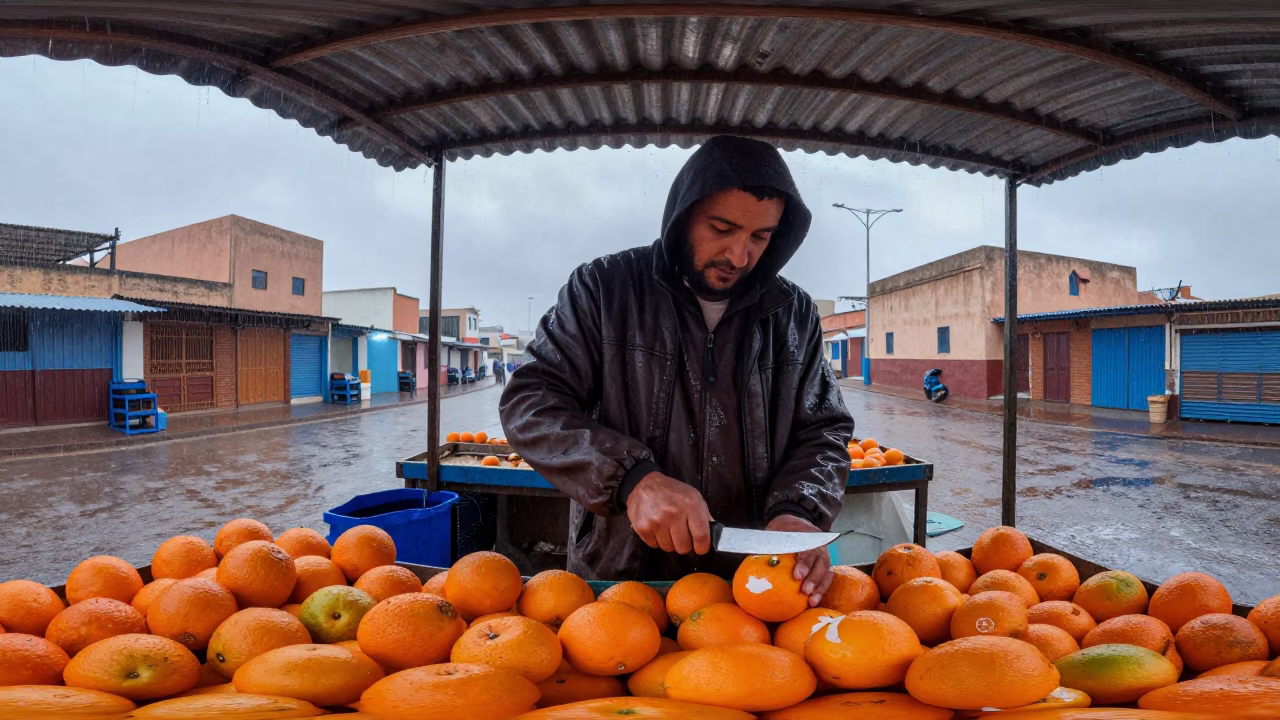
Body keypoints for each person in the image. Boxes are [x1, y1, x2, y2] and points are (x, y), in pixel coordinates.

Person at [500, 136, 852, 606]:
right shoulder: (604, 290)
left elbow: (824, 429)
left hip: (754, 586)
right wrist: (631, 479)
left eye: (760, 237)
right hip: (619, 576)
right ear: (682, 213)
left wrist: (798, 511)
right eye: (722, 228)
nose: (739, 255)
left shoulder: (792, 313)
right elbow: (531, 400)